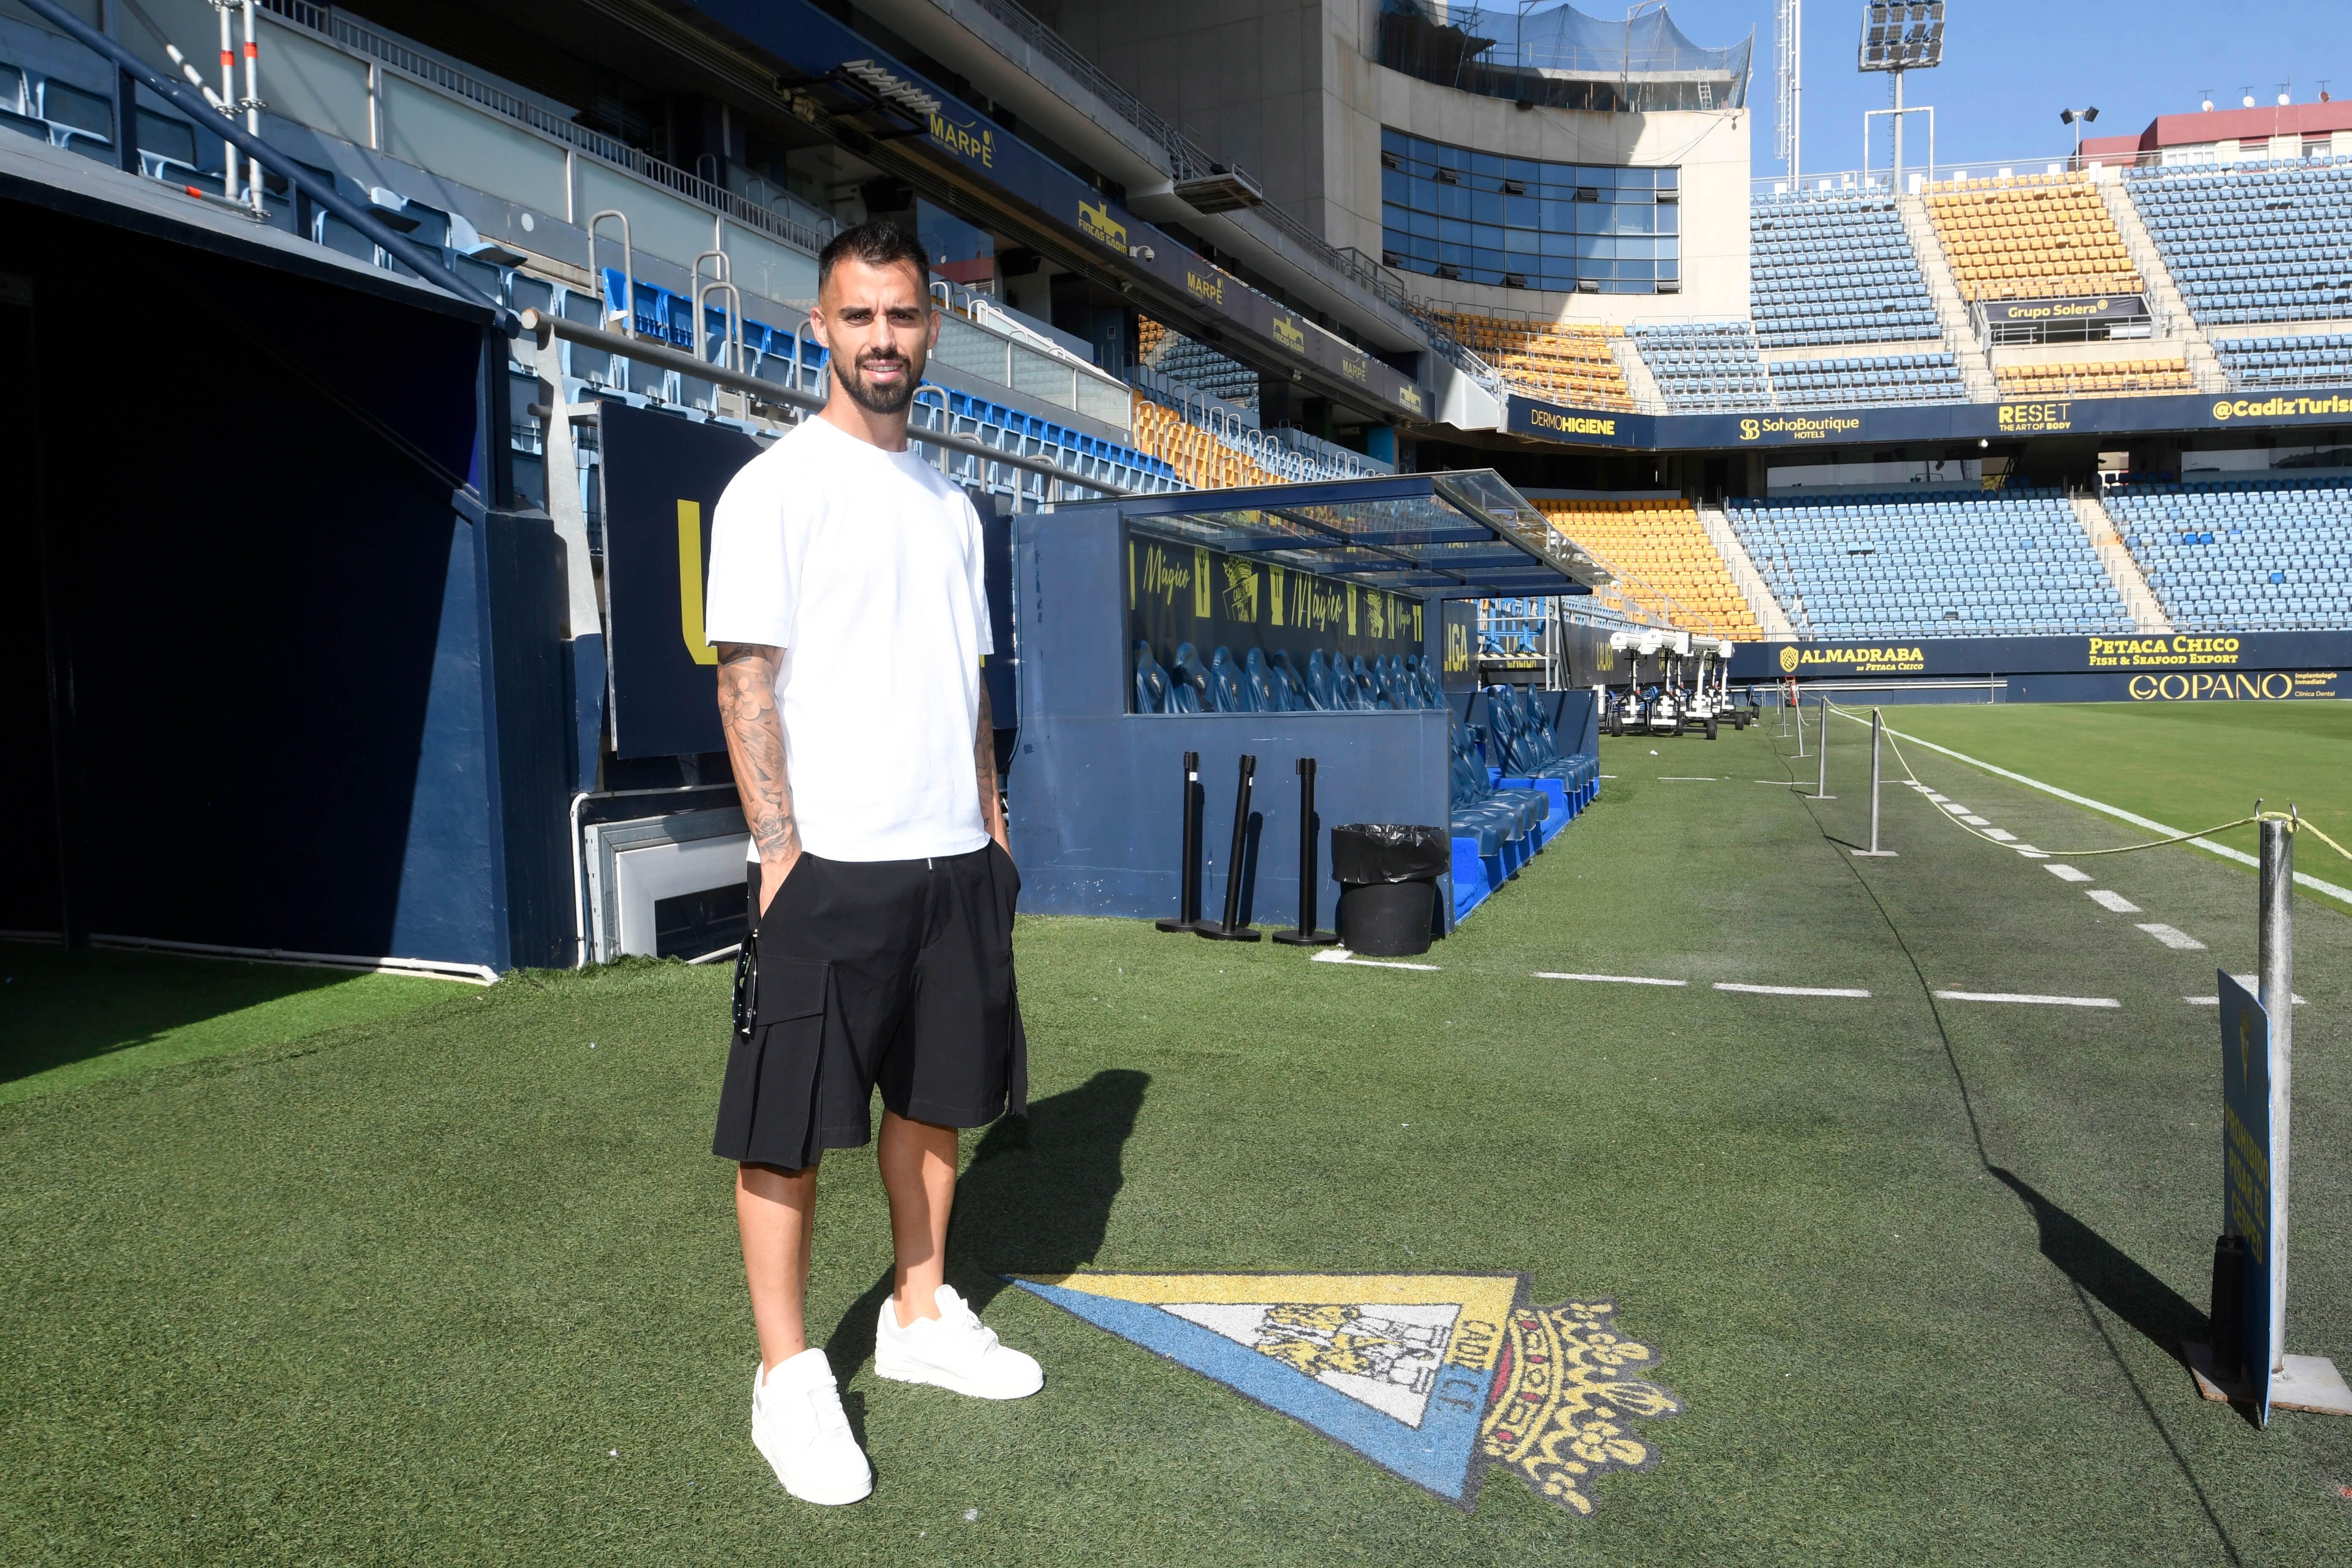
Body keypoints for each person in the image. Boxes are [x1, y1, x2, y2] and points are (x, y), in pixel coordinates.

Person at [703, 219, 1038, 1508]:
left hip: (952, 859)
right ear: (819, 326)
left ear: (931, 331)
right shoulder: (772, 489)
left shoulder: (954, 507)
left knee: (934, 1098)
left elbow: (966, 687)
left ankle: (916, 1317)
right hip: (828, 862)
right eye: (860, 318)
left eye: (903, 317)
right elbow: (749, 680)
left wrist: (992, 824)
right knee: (787, 1126)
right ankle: (789, 1379)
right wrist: (780, 850)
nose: (883, 339)